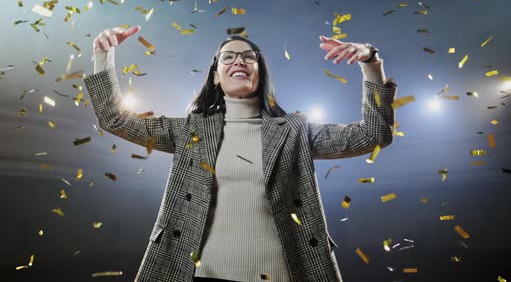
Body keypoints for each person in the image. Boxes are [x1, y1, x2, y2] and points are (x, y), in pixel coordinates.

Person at [83, 26, 397, 282]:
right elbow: (114, 119)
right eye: (228, 57)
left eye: (249, 57)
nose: (239, 62)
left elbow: (372, 136)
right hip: (202, 276)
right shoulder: (189, 130)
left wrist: (371, 64)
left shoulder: (295, 130)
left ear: (261, 74)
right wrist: (103, 56)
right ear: (216, 76)